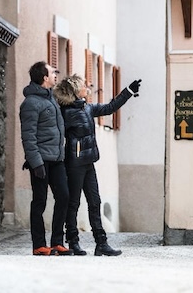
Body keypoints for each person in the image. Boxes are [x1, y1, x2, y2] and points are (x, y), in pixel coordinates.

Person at [53, 74, 142, 256]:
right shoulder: (65, 113)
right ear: (77, 91)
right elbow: (55, 135)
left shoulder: (87, 108)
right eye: (84, 86)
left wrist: (129, 91)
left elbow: (110, 108)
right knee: (74, 203)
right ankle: (73, 242)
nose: (87, 87)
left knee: (95, 202)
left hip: (89, 162)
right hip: (74, 164)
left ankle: (101, 243)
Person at [19, 61, 74, 256]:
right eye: (52, 72)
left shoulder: (51, 99)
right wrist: (36, 163)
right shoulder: (31, 103)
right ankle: (39, 245)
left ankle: (57, 242)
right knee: (40, 201)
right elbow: (28, 136)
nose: (55, 74)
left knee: (64, 196)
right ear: (44, 77)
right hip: (41, 161)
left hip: (56, 159)